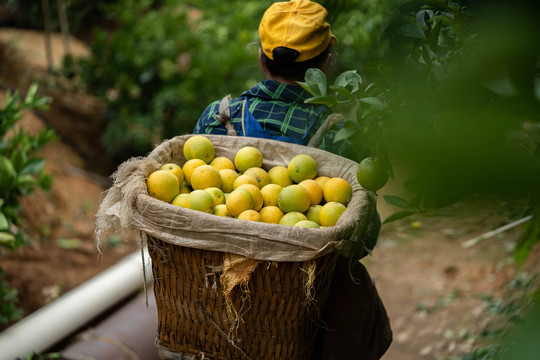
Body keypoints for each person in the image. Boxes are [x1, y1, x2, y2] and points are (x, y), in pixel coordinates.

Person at [193, 0, 392, 358]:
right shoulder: (341, 134)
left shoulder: (216, 118)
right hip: (307, 313)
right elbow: (363, 235)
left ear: (261, 58)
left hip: (222, 303)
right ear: (327, 61)